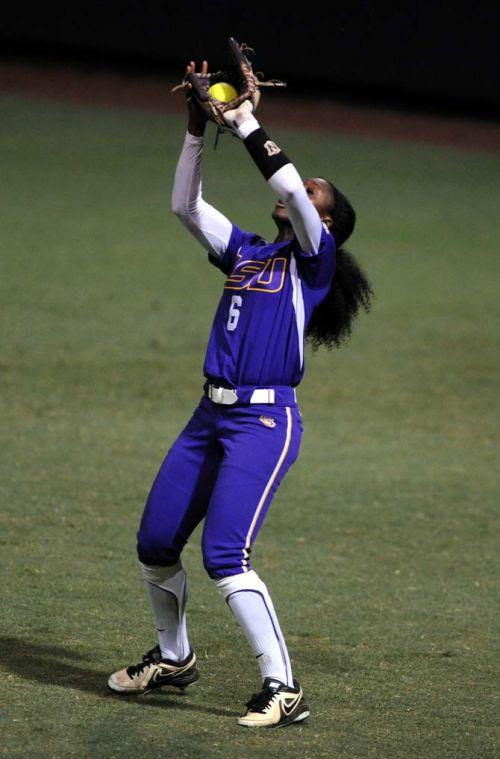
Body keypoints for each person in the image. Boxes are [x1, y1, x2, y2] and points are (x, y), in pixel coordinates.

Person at [108, 60, 373, 728]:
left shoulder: (315, 264)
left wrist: (246, 121)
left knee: (225, 553)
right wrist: (197, 131)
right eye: (304, 189)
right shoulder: (250, 253)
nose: (300, 192)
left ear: (328, 226)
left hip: (264, 423)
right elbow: (186, 207)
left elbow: (282, 175)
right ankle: (175, 656)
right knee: (155, 541)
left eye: (315, 195)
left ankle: (282, 686)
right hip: (208, 417)